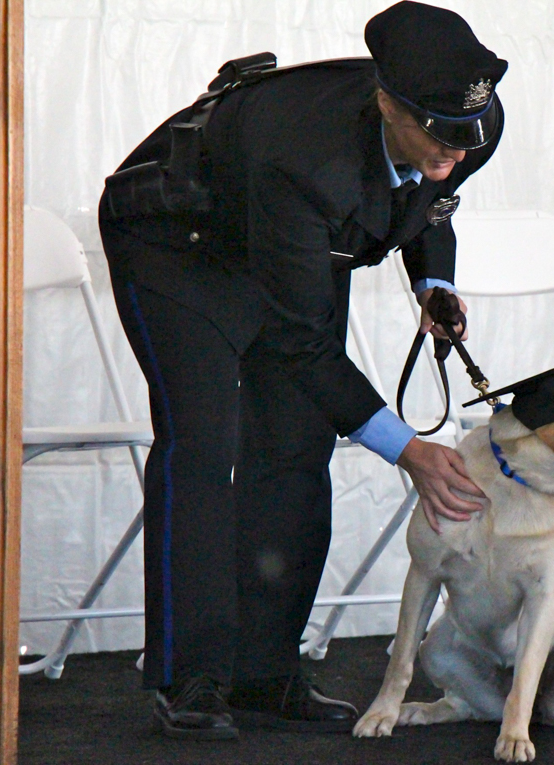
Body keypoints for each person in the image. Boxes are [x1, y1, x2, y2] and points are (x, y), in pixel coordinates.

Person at [97, 0, 507, 741]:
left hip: (298, 244)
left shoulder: (469, 126)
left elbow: (432, 201)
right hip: (180, 246)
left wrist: (431, 284)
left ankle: (265, 669)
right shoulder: (303, 157)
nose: (456, 151)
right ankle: (190, 675)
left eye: (466, 137)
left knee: (296, 443)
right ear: (387, 103)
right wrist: (407, 450)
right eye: (437, 135)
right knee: (206, 444)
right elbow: (301, 341)